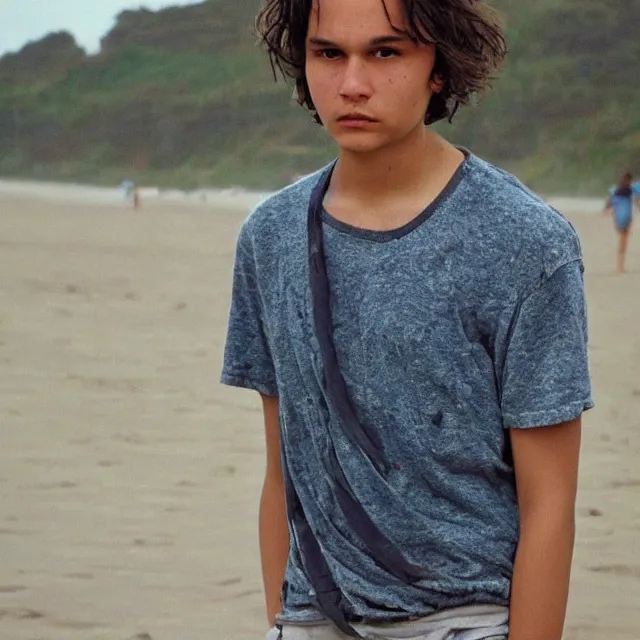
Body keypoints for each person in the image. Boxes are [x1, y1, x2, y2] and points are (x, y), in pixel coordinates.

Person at [221, 1, 593, 639]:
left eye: (386, 53)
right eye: (328, 53)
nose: (353, 84)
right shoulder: (271, 237)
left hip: (465, 619)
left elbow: (550, 503)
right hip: (313, 616)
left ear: (440, 69)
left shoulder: (526, 242)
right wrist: (286, 621)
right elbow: (283, 469)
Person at [604, 172, 640, 273]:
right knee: (623, 241)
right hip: (626, 217)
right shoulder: (631, 189)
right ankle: (620, 265)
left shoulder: (615, 190)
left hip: (618, 218)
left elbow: (610, 201)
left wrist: (606, 209)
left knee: (622, 240)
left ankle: (620, 264)